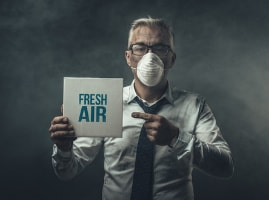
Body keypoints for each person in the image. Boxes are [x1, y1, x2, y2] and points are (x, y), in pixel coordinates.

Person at [49, 17, 234, 200]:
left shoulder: (194, 105)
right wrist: (64, 148)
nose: (149, 56)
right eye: (140, 48)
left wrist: (176, 138)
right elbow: (66, 172)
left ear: (171, 59)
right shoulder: (106, 101)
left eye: (161, 48)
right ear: (128, 57)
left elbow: (225, 167)